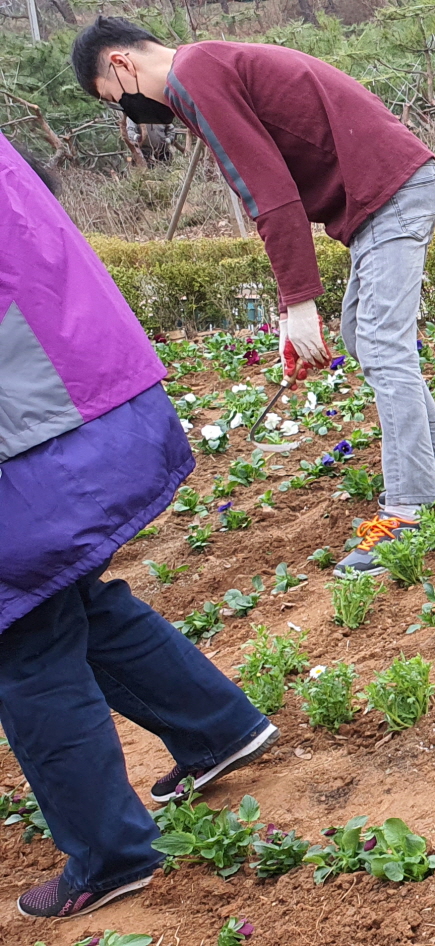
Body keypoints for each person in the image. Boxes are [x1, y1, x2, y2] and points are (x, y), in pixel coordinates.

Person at [0, 131, 279, 920]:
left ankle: (111, 853)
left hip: (26, 433)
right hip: (82, 397)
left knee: (21, 637)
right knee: (64, 595)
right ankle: (218, 729)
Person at [71, 17, 435, 578]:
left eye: (115, 98)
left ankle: (409, 508)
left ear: (121, 65)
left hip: (392, 190)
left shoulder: (196, 75)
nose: (128, 110)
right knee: (363, 336)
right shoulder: (205, 69)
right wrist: (293, 308)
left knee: (380, 343)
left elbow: (271, 196)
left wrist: (297, 304)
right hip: (386, 189)